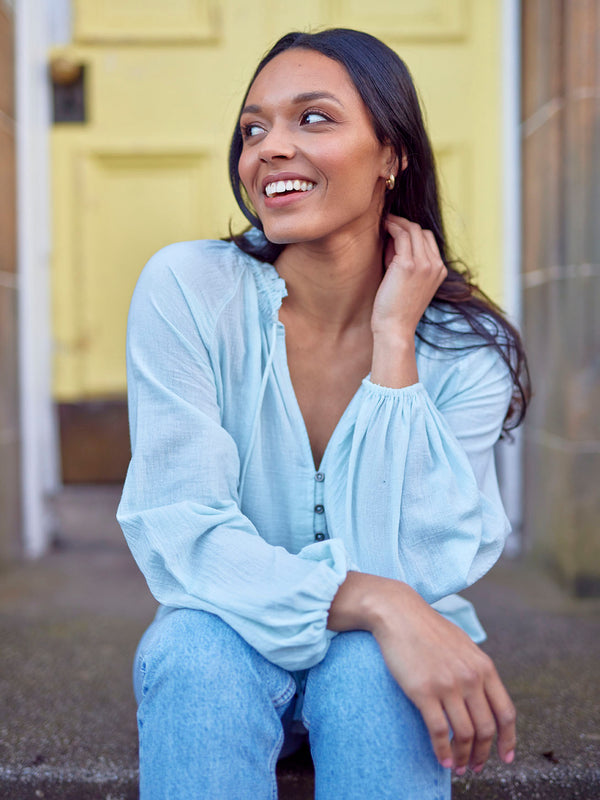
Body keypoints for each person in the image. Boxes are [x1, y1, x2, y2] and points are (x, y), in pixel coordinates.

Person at [117, 28, 529, 800]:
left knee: (374, 670)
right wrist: (370, 598)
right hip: (229, 631)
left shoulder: (467, 353)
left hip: (386, 656)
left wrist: (393, 345)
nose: (270, 147)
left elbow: (421, 566)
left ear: (391, 155)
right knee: (191, 647)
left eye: (314, 118)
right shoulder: (187, 290)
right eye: (253, 127)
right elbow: (182, 528)